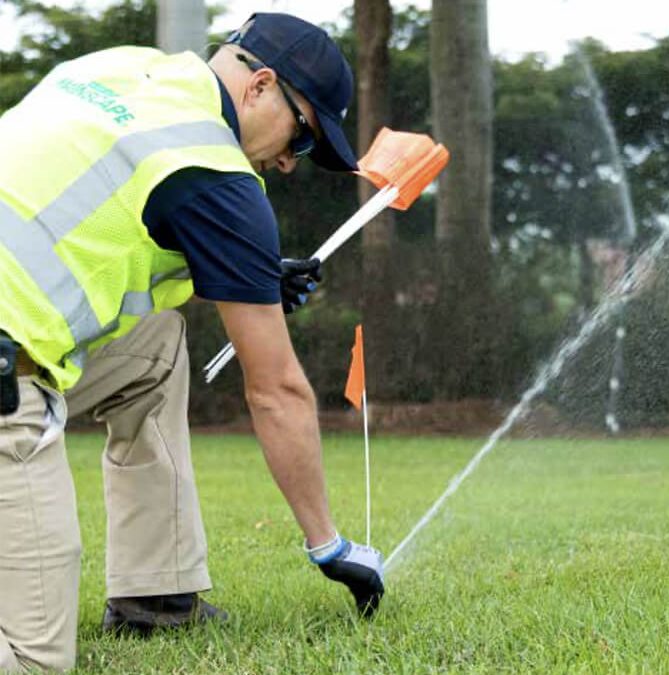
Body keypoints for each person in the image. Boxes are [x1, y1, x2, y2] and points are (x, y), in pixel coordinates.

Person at [0, 12, 384, 672]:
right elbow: (277, 391)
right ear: (262, 85)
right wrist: (329, 543)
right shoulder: (216, 172)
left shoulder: (120, 68)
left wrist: (244, 270)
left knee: (154, 348)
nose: (290, 164)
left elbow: (95, 220)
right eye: (302, 135)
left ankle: (157, 591)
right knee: (34, 656)